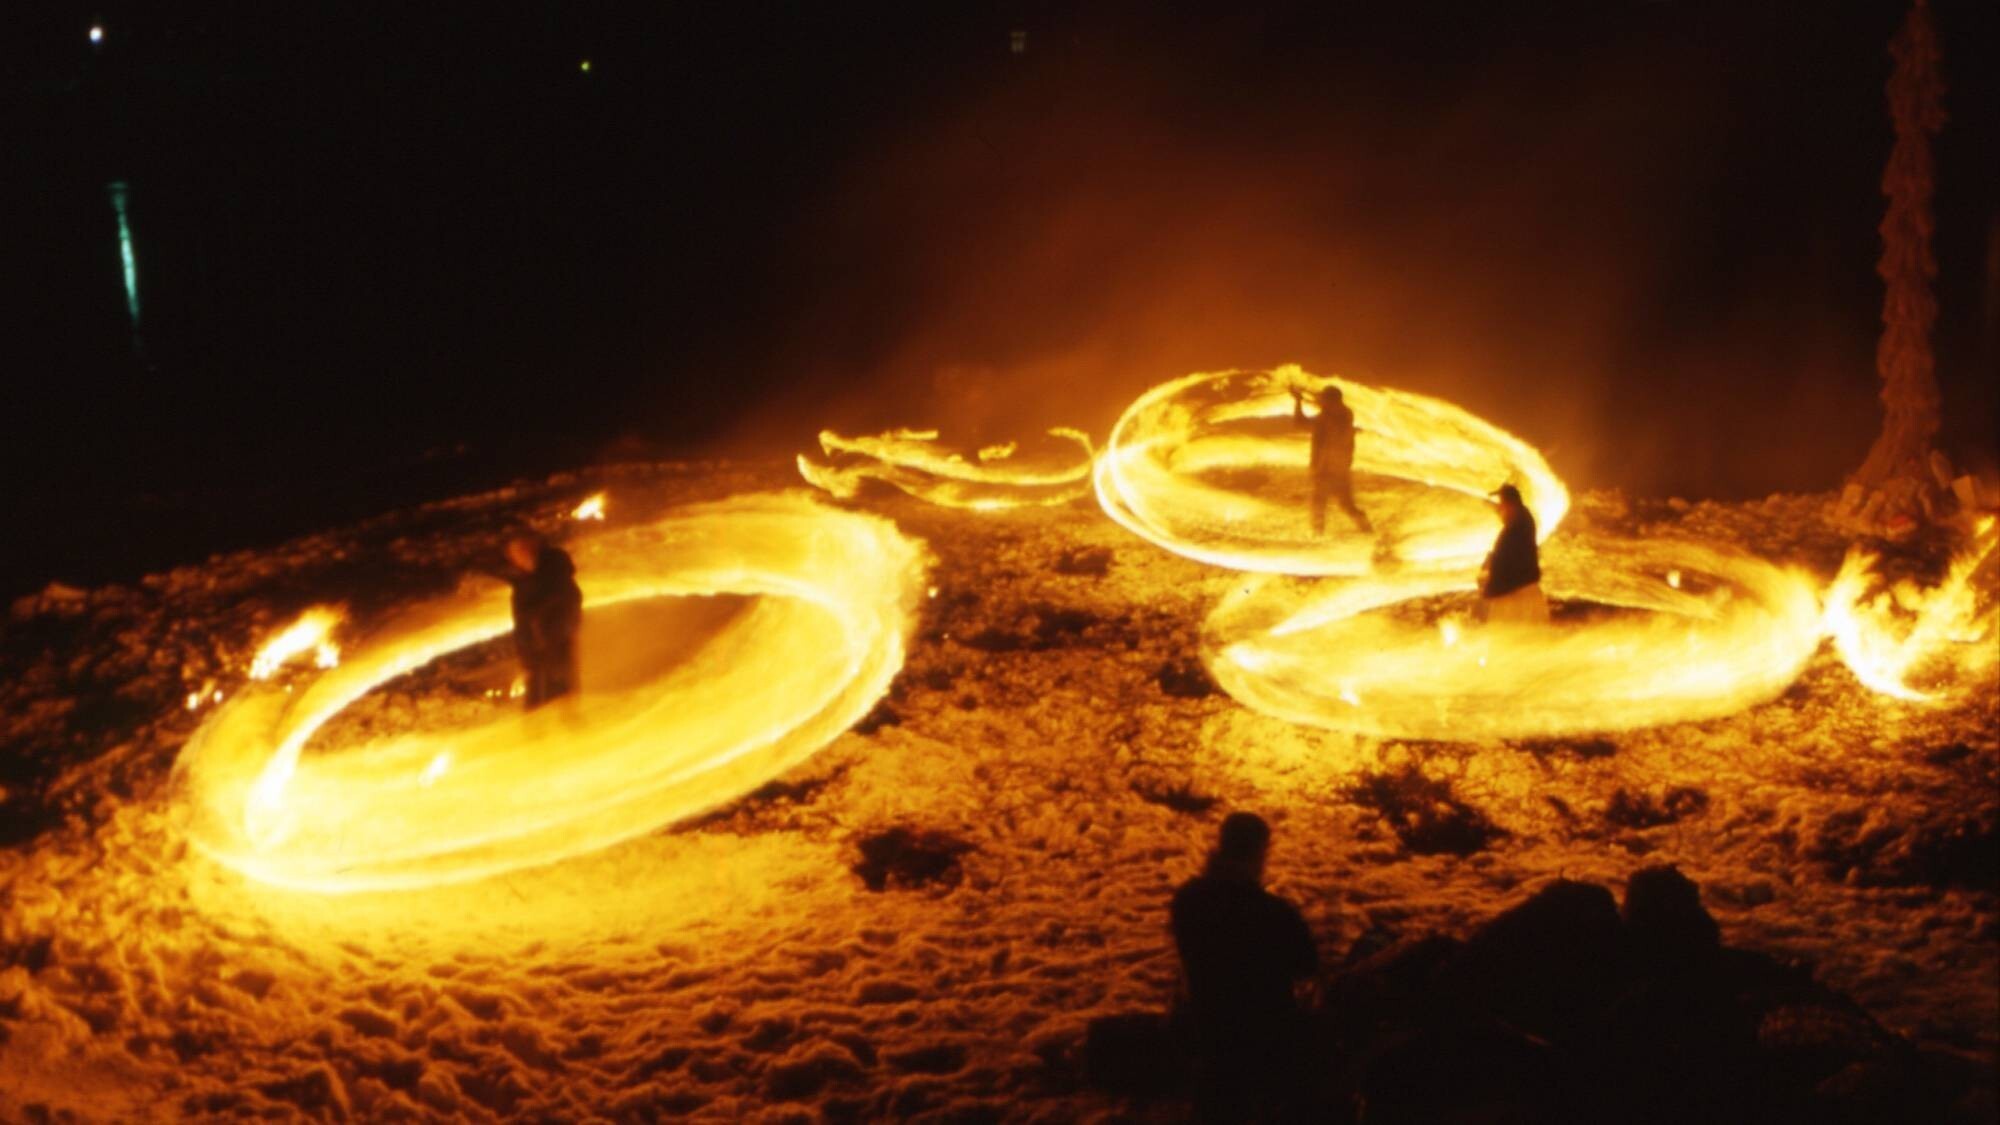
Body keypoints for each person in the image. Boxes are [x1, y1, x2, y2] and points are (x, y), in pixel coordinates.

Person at [1170, 812, 1318, 1121]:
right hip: (1267, 1033)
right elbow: (1307, 964)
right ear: (1260, 852)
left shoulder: (1188, 900)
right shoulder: (1273, 912)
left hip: (1209, 1027)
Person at [504, 534, 583, 708]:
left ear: (534, 550)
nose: (519, 557)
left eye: (523, 550)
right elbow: (521, 619)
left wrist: (553, 630)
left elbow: (569, 601)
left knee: (559, 688)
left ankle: (568, 720)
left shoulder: (554, 577)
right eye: (515, 553)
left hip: (553, 640)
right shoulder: (523, 581)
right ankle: (540, 726)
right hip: (534, 646)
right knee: (537, 692)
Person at [1291, 383, 1372, 536]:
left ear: (1332, 401)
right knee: (1337, 506)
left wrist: (1300, 400)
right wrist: (1300, 400)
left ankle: (1318, 536)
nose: (1322, 403)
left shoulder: (1335, 417)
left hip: (1329, 471)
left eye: (1325, 400)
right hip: (1335, 470)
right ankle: (1366, 531)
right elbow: (1302, 423)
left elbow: (1301, 424)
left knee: (1323, 506)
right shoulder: (1339, 414)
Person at [1479, 484, 1549, 624]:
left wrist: (1489, 567)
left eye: (1502, 504)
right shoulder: (1523, 519)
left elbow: (1504, 562)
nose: (1500, 508)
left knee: (1511, 638)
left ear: (1510, 505)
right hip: (1523, 592)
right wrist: (1493, 506)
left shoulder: (1513, 532)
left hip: (1515, 598)